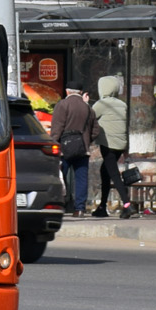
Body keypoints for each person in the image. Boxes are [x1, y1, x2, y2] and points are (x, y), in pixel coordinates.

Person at [91, 75, 136, 218]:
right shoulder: (122, 105)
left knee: (114, 174)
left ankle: (127, 205)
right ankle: (102, 207)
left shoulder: (101, 104)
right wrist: (126, 149)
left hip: (108, 143)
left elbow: (90, 117)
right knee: (105, 171)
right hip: (120, 145)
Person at [50, 85, 98, 216]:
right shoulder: (88, 108)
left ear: (67, 91)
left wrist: (53, 143)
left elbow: (57, 128)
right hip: (83, 149)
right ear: (81, 92)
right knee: (81, 178)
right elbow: (96, 130)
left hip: (64, 148)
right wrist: (86, 140)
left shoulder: (62, 105)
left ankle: (59, 205)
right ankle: (80, 209)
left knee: (59, 176)